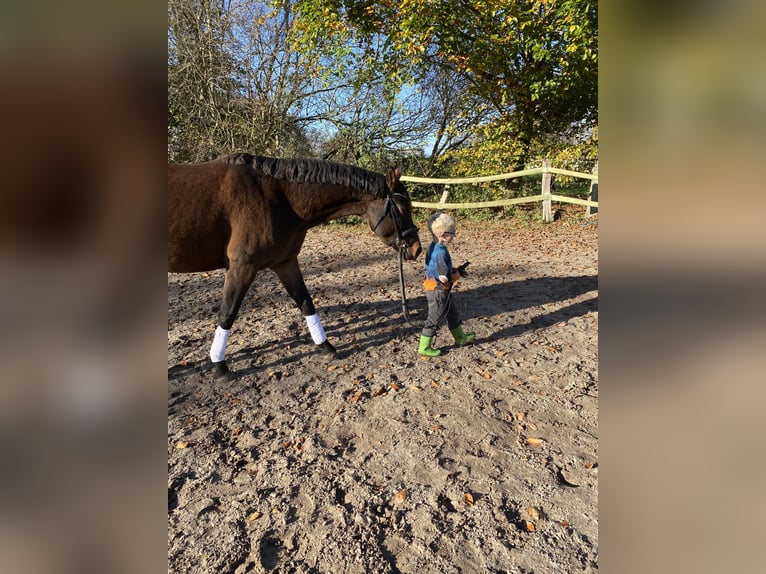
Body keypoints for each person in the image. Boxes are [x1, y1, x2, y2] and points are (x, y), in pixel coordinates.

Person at [418, 212, 475, 357]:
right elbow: (444, 278)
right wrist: (457, 274)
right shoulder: (440, 253)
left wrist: (454, 269)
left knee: (452, 313)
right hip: (438, 290)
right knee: (434, 319)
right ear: (443, 235)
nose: (454, 235)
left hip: (441, 290)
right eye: (453, 233)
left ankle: (460, 337)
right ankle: (424, 347)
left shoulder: (433, 247)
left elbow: (438, 268)